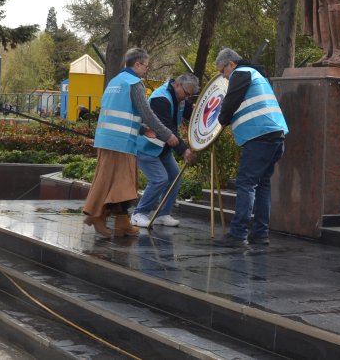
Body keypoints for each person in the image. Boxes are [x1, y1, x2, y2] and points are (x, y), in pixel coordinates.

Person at [84, 48, 178, 237]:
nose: (146, 69)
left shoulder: (114, 82)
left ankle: (122, 221)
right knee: (116, 182)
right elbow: (147, 113)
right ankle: (96, 214)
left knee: (122, 184)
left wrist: (143, 130)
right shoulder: (134, 83)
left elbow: (119, 111)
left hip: (107, 139)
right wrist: (167, 135)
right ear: (137, 64)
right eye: (146, 66)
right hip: (121, 142)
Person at [213, 48, 288, 247]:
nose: (224, 76)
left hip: (258, 137)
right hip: (276, 136)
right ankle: (261, 234)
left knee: (246, 184)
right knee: (262, 184)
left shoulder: (240, 73)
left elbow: (229, 103)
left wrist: (221, 119)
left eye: (223, 71)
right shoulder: (257, 75)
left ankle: (238, 234)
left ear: (230, 64)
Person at [130, 73, 199, 228]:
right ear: (177, 84)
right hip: (147, 146)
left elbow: (192, 115)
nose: (187, 98)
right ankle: (138, 213)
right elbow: (167, 128)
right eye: (186, 93)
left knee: (175, 177)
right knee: (159, 179)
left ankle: (163, 214)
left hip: (162, 149)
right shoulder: (160, 98)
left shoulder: (180, 97)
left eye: (190, 95)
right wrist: (183, 150)